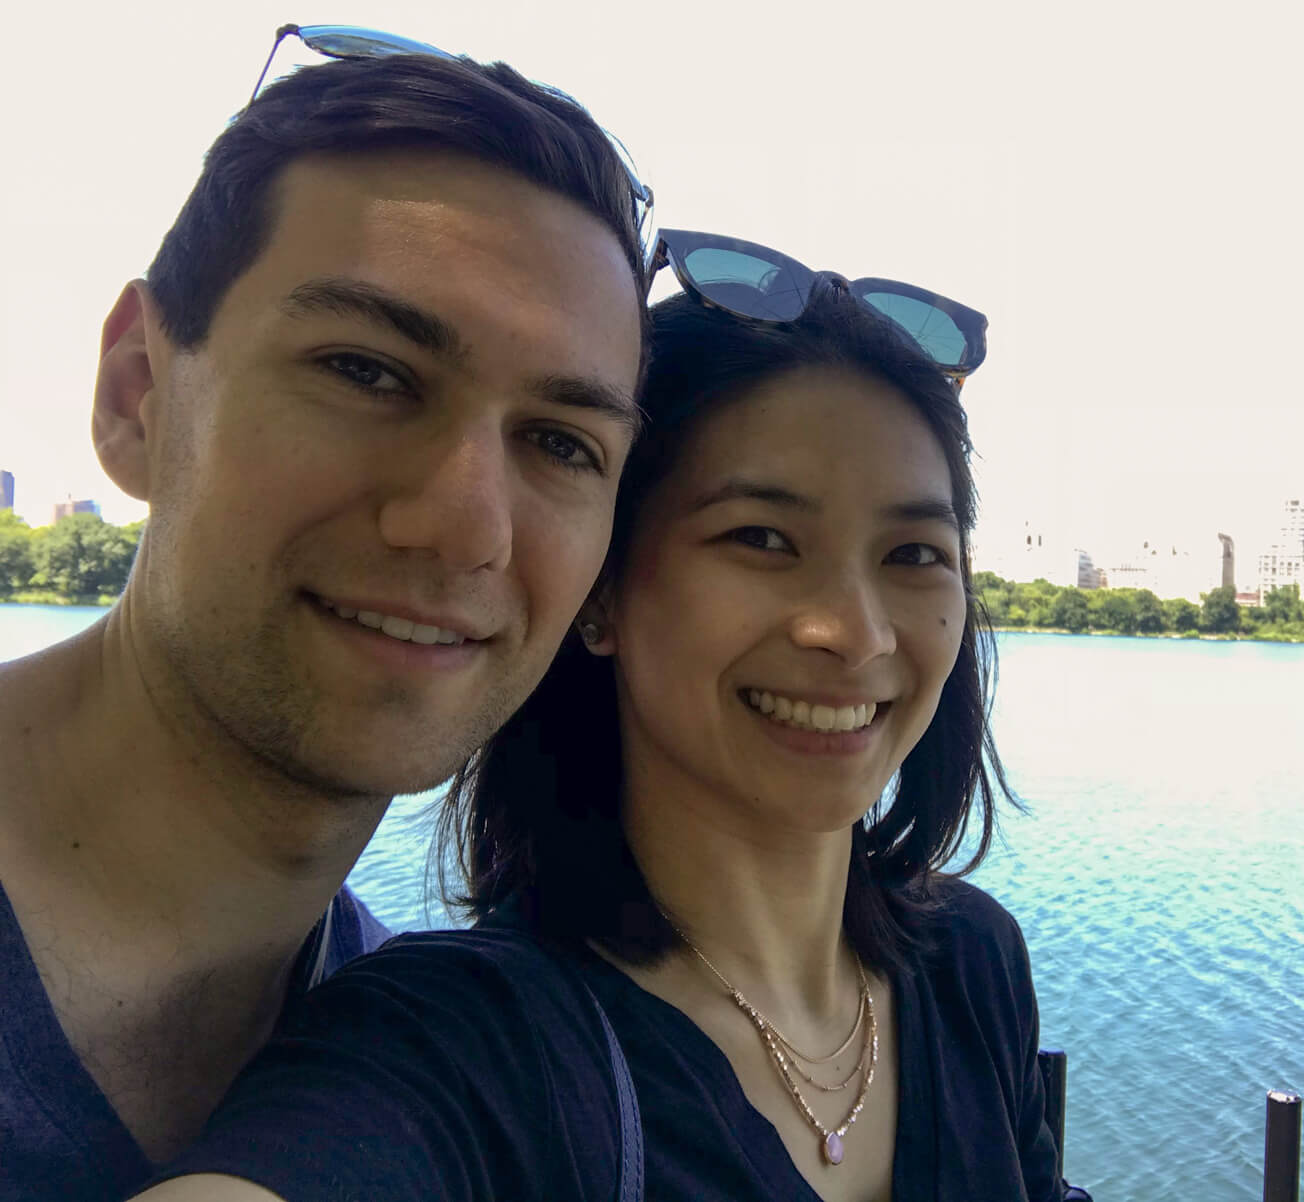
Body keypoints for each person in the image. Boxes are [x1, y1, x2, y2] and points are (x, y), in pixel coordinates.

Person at [133, 242, 1091, 1200]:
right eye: (761, 538)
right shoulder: (468, 1050)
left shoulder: (968, 961)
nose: (853, 630)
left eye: (915, 554)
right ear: (600, 592)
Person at [0, 27, 651, 1202]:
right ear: (136, 395)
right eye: (365, 370)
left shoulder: (414, 1051)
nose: (463, 526)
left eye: (561, 442)